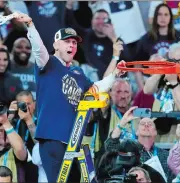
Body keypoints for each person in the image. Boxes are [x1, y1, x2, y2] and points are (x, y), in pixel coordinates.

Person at [14, 12, 127, 182]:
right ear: (56, 45)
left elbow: (97, 89)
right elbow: (39, 49)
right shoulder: (48, 63)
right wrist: (31, 26)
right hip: (52, 138)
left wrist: (115, 74)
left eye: (74, 42)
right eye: (67, 41)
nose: (72, 45)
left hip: (74, 141)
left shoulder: (78, 72)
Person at [105, 106, 175, 182]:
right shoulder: (128, 151)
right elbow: (110, 146)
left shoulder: (167, 156)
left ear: (155, 132)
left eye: (150, 124)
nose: (146, 125)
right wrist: (123, 122)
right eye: (142, 123)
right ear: (136, 132)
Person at [134, 3, 180, 90]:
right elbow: (137, 67)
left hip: (175, 81)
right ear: (155, 16)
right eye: (160, 14)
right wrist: (142, 89)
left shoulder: (178, 36)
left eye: (166, 14)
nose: (163, 17)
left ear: (171, 17)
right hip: (152, 82)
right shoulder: (145, 39)